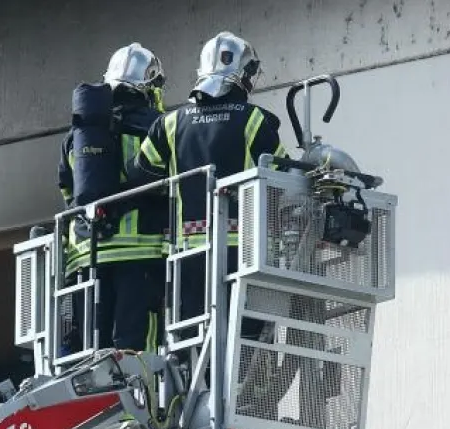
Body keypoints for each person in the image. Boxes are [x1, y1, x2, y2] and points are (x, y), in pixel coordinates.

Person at [130, 31, 287, 323]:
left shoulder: (169, 123)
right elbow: (282, 178)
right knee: (245, 334)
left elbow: (140, 173)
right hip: (244, 252)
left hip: (188, 253)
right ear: (243, 74)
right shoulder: (254, 119)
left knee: (193, 334)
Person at [58, 44, 167, 353]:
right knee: (135, 350)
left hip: (86, 257)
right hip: (139, 253)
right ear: (149, 86)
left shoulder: (77, 136)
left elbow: (68, 191)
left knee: (93, 351)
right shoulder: (155, 127)